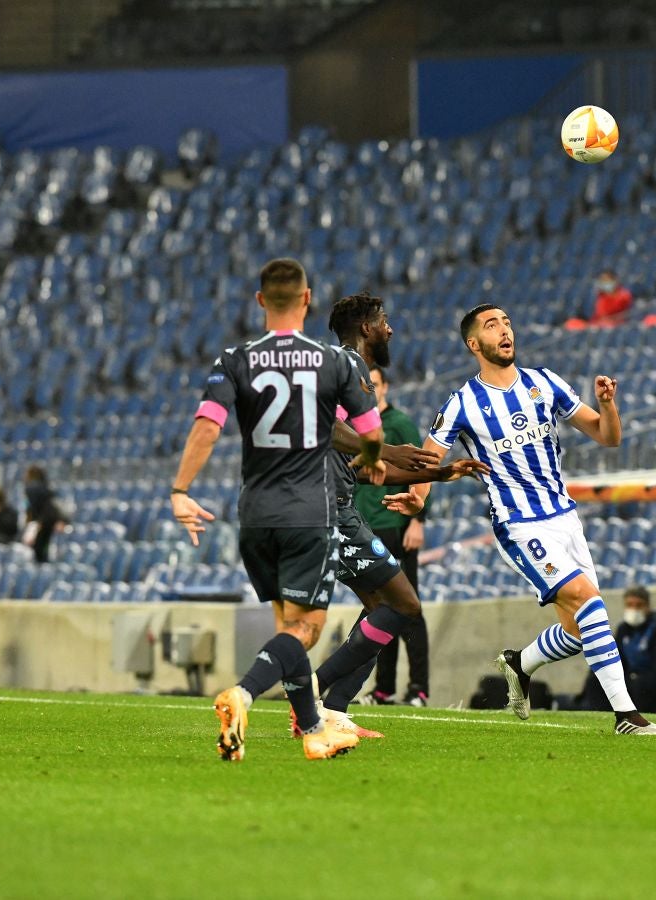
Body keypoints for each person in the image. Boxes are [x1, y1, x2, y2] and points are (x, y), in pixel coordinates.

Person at [385, 304, 656, 735]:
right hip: (520, 525)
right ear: (474, 344)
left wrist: (607, 405)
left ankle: (520, 663)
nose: (505, 331)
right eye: (492, 326)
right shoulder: (462, 403)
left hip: (566, 519)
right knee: (589, 602)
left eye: (508, 323)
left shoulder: (545, 382)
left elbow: (609, 437)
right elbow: (427, 461)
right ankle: (627, 715)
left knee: (577, 630)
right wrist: (418, 498)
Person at [169, 258, 384, 762]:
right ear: (307, 300)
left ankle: (312, 730)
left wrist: (181, 489)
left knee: (286, 627)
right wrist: (372, 462)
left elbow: (207, 426)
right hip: (309, 511)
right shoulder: (334, 362)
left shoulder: (235, 358)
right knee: (304, 631)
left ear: (261, 301)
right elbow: (371, 432)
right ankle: (241, 695)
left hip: (256, 513)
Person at [312, 293, 487, 735]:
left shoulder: (336, 369)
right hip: (329, 508)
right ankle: (315, 684)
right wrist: (386, 448)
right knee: (405, 604)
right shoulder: (347, 363)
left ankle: (334, 709)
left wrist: (442, 473)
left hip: (333, 501)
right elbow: (328, 431)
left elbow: (362, 467)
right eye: (384, 321)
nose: (390, 329)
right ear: (367, 328)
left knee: (380, 608)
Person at [353, 365, 432, 706]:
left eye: (376, 384)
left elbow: (423, 469)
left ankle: (419, 689)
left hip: (394, 526)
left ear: (385, 387)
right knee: (377, 609)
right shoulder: (355, 428)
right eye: (364, 386)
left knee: (407, 607)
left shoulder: (398, 424)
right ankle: (383, 688)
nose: (371, 390)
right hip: (363, 527)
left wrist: (418, 520)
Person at [576, 585, 656, 714]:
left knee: (639, 685)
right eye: (630, 605)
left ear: (648, 607)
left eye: (639, 605)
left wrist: (635, 679)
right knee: (596, 680)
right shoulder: (623, 629)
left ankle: (640, 722)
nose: (634, 609)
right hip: (633, 681)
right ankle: (601, 719)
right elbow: (611, 658)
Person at [23, 466, 67, 563]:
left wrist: (37, 525)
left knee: (40, 554)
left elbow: (35, 509)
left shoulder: (31, 489)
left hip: (43, 524)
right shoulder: (47, 489)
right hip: (48, 524)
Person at [566, 269, 633, 329]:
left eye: (607, 280)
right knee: (571, 323)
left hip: (615, 324)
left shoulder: (624, 295)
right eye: (602, 280)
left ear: (614, 280)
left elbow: (623, 313)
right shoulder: (600, 296)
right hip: (596, 324)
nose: (604, 282)